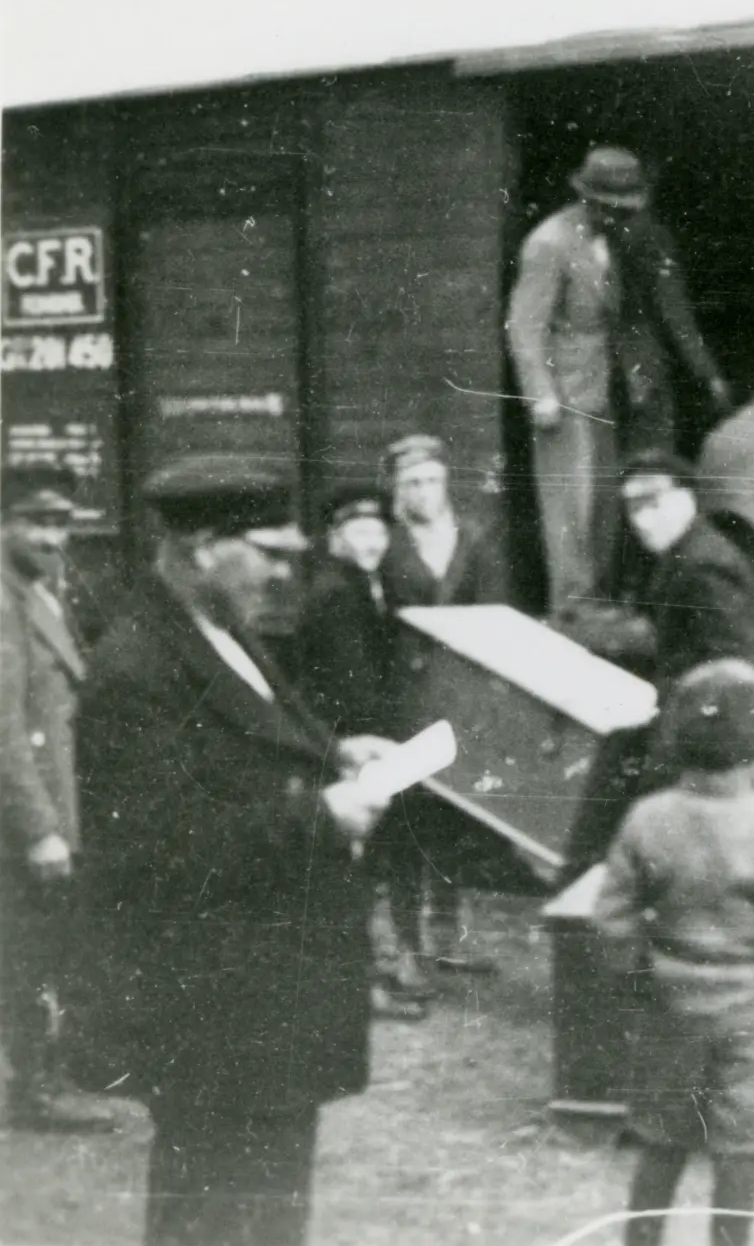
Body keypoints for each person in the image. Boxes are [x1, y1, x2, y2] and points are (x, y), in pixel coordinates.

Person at [76, 453, 394, 1246]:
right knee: (212, 1217)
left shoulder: (221, 631)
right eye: (270, 552)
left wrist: (336, 752)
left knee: (266, 1209)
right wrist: (322, 816)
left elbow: (255, 751)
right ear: (201, 546)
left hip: (262, 1003)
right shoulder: (134, 668)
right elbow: (158, 846)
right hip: (213, 1011)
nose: (284, 574)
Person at [589, 658, 754, 1246]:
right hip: (752, 1010)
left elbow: (612, 922)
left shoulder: (648, 818)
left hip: (669, 1001)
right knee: (739, 1153)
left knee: (661, 1141)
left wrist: (640, 985)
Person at [508, 145, 734, 609]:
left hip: (601, 389)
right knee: (571, 505)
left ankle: (598, 599)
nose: (621, 218)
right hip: (564, 394)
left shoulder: (607, 238)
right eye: (613, 209)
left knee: (603, 506)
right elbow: (524, 326)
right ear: (589, 200)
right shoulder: (549, 243)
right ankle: (572, 605)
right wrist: (540, 395)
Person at [562, 451, 754, 881]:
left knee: (636, 828)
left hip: (701, 736)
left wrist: (683, 747)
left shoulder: (705, 565)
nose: (642, 519)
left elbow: (735, 668)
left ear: (686, 500)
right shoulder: (685, 555)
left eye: (654, 503)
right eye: (632, 507)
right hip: (681, 721)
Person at [0, 465, 115, 1133]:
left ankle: (51, 1074)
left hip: (56, 801)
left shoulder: (44, 589)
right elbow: (4, 726)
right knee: (30, 950)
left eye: (60, 522)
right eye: (36, 521)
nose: (50, 535)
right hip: (22, 819)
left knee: (50, 942)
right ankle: (35, 1089)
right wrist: (41, 827)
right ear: (6, 523)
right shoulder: (6, 600)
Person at [294, 482, 428, 1023]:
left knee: (375, 859)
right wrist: (383, 742)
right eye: (358, 531)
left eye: (378, 531)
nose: (371, 541)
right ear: (335, 538)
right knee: (357, 864)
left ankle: (386, 970)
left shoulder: (369, 586)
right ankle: (366, 982)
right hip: (350, 741)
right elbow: (354, 688)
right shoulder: (336, 593)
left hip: (368, 739)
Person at [380, 433, 509, 980]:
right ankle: (406, 946)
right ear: (396, 488)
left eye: (432, 481)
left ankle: (448, 937)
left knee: (454, 819)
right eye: (412, 483)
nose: (424, 493)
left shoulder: (475, 539)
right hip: (404, 702)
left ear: (446, 482)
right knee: (407, 821)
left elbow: (495, 617)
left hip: (457, 700)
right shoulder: (384, 543)